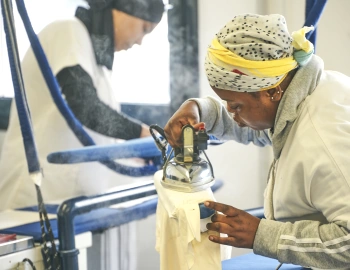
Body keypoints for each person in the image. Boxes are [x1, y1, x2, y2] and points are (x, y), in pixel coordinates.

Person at [164, 13, 350, 269]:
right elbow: (263, 126)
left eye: (236, 106)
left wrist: (262, 235)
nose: (231, 113)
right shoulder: (306, 92)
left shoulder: (324, 142)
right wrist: (199, 108)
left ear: (272, 91)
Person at [0, 0, 164, 269]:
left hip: (68, 206)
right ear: (124, 10)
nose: (140, 42)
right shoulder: (67, 32)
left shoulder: (98, 66)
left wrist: (138, 158)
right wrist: (144, 135)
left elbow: (98, 135)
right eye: (145, 28)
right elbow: (84, 107)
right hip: (34, 202)